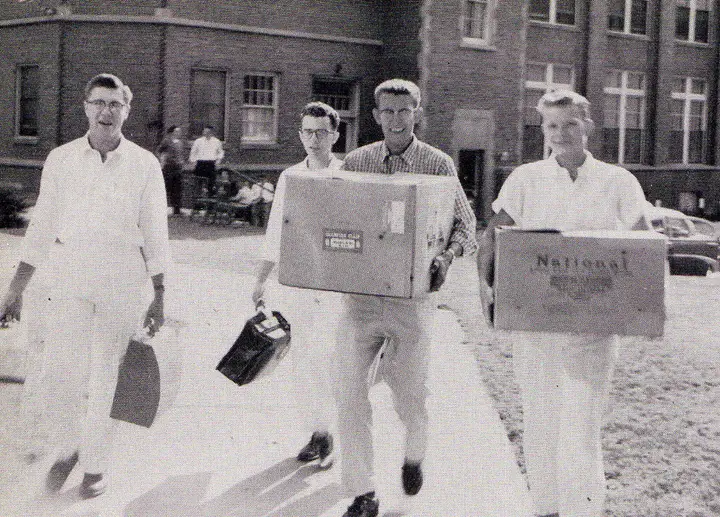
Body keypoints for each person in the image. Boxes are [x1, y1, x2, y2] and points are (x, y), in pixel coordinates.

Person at [476, 90, 650, 517]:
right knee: (540, 423)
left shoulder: (618, 181)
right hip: (535, 331)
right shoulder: (525, 178)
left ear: (588, 126)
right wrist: (488, 295)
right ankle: (546, 508)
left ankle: (583, 511)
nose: (561, 134)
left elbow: (646, 243)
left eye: (570, 123)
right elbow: (491, 238)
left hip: (592, 333)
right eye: (552, 125)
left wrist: (642, 307)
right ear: (543, 130)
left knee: (581, 429)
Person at [0, 73, 171, 499]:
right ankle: (68, 447)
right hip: (71, 274)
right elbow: (41, 229)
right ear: (86, 107)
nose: (106, 112)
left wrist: (160, 294)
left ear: (126, 111)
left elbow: (156, 234)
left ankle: (95, 465)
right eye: (99, 103)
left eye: (115, 104)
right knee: (63, 373)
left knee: (106, 377)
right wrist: (15, 289)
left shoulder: (144, 164)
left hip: (122, 279)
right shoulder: (61, 159)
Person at [335, 79, 477, 517]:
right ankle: (362, 492)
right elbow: (337, 220)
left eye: (405, 110)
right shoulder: (356, 162)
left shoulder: (436, 164)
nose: (396, 119)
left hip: (412, 301)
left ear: (417, 113)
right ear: (375, 116)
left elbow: (466, 228)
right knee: (348, 392)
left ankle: (414, 456)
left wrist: (446, 258)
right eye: (387, 111)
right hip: (360, 299)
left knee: (410, 396)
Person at [252, 101, 343, 468]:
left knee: (332, 359)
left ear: (335, 135)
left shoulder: (348, 173)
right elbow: (277, 232)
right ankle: (317, 433)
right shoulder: (290, 176)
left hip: (337, 284)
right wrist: (260, 279)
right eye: (307, 131)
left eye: (321, 132)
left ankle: (334, 433)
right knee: (304, 361)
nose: (314, 139)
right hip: (300, 282)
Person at [156, 124, 185, 216]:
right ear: (172, 132)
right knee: (167, 188)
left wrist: (181, 162)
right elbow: (159, 151)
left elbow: (181, 155)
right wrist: (162, 160)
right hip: (169, 168)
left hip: (178, 168)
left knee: (177, 188)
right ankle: (161, 209)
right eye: (176, 131)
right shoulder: (167, 141)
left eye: (179, 132)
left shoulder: (180, 143)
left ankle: (177, 210)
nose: (178, 133)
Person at [189, 125, 224, 196]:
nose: (205, 133)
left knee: (211, 183)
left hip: (211, 164)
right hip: (200, 164)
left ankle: (210, 202)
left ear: (211, 132)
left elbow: (221, 152)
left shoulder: (216, 141)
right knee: (198, 183)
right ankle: (197, 202)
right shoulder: (198, 141)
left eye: (208, 132)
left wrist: (218, 161)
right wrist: (193, 162)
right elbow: (193, 152)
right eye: (204, 131)